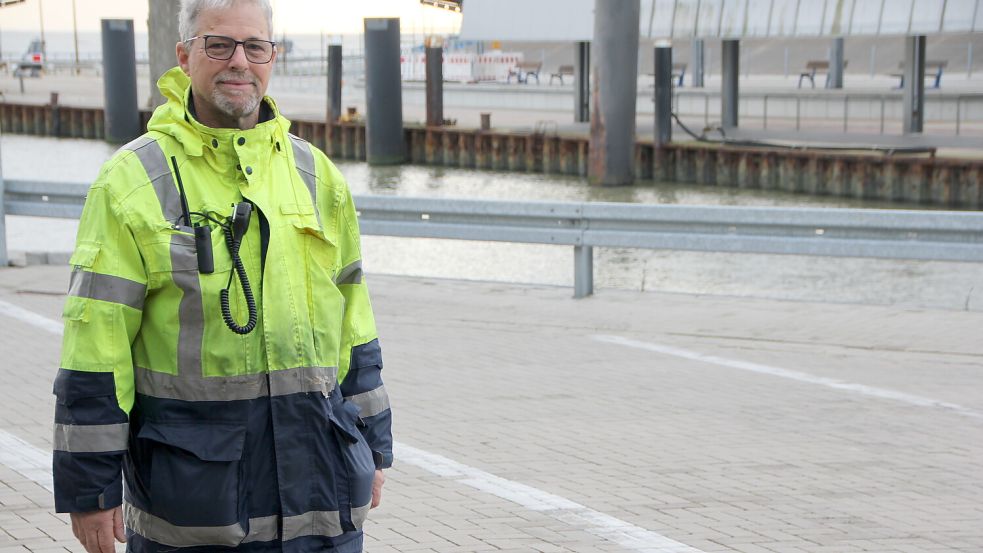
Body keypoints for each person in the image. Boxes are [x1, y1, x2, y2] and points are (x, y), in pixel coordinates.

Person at [51, 1, 392, 551]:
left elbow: (356, 321)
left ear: (272, 58)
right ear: (185, 56)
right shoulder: (133, 181)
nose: (239, 61)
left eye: (254, 47)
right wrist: (90, 488)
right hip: (197, 510)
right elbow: (95, 345)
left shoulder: (316, 175)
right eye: (219, 45)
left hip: (322, 504)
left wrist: (373, 446)